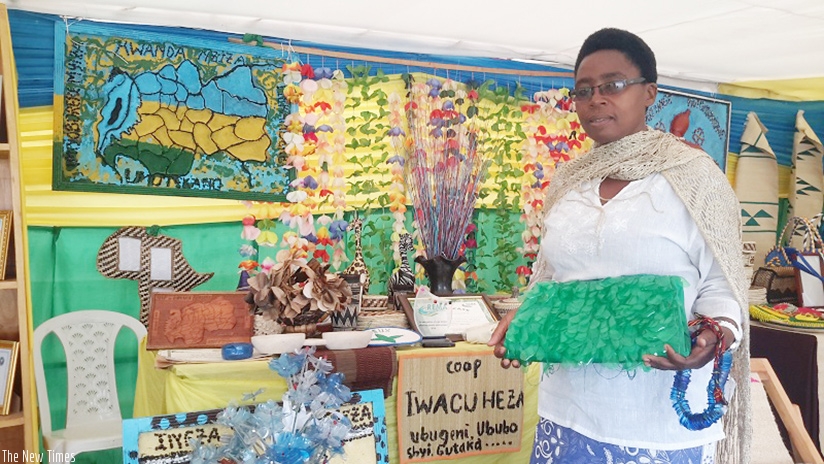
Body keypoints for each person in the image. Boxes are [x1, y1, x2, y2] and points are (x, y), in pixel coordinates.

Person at [488, 28, 750, 464]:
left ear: (649, 93)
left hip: (656, 418)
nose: (596, 99)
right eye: (584, 90)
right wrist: (528, 318)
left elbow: (722, 286)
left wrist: (714, 336)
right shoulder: (568, 184)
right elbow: (552, 280)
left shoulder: (695, 178)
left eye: (613, 85)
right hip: (567, 410)